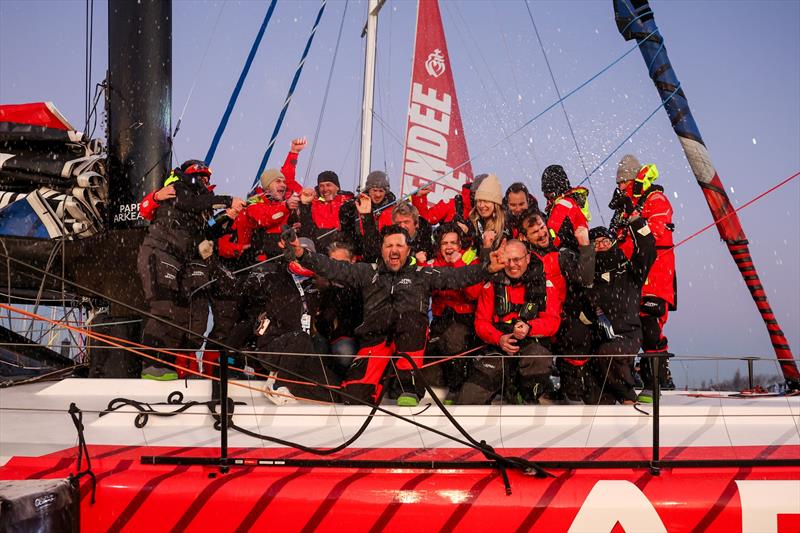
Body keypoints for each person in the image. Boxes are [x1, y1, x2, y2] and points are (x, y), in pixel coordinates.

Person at [285, 224, 506, 406]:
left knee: (409, 319)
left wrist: (487, 268)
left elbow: (458, 276)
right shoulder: (367, 271)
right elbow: (334, 268)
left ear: (408, 250)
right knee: (353, 395)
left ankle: (407, 386)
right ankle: (367, 393)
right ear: (381, 250)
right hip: (376, 339)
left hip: (409, 338)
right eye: (389, 245)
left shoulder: (423, 274)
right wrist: (302, 254)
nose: (394, 249)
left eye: (399, 245)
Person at [136, 160, 245, 380]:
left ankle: (175, 365)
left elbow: (205, 232)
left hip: (184, 257)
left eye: (207, 177)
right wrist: (226, 200)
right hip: (161, 250)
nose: (203, 180)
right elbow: (187, 201)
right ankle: (153, 362)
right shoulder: (179, 189)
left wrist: (227, 218)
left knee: (188, 314)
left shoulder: (200, 205)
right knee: (164, 306)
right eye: (199, 175)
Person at [460, 239, 566, 405]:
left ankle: (525, 396)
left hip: (531, 345)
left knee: (539, 359)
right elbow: (481, 322)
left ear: (528, 258)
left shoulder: (545, 285)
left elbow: (553, 321)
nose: (512, 265)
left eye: (517, 259)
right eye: (507, 260)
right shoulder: (491, 284)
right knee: (468, 398)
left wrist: (530, 328)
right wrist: (499, 338)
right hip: (499, 348)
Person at [611, 155, 677, 402]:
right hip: (633, 276)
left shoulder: (655, 200)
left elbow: (657, 232)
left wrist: (635, 218)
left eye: (623, 183)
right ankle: (630, 379)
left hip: (656, 276)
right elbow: (620, 239)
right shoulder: (625, 207)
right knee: (628, 327)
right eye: (618, 184)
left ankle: (656, 380)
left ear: (633, 179)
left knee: (650, 327)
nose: (619, 188)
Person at [521, 210, 596, 404]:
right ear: (525, 237)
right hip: (536, 320)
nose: (542, 233)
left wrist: (585, 246)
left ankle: (572, 392)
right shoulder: (523, 260)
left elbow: (585, 278)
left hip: (562, 318)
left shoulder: (560, 255)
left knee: (577, 335)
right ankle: (533, 393)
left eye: (542, 228)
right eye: (535, 232)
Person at [587, 219, 655, 404]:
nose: (601, 245)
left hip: (628, 335)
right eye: (595, 243)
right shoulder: (587, 276)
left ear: (613, 243)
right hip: (597, 339)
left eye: (605, 241)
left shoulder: (629, 273)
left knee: (609, 352)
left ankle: (628, 397)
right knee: (596, 399)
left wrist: (636, 222)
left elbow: (648, 249)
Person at [217, 138, 307, 264]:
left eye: (283, 182)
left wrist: (294, 152)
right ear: (267, 187)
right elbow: (264, 218)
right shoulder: (254, 202)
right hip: (254, 257)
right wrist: (286, 206)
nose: (283, 184)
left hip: (281, 253)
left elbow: (288, 177)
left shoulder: (281, 200)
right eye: (278, 181)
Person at [425, 223, 483, 403]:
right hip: (440, 319)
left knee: (454, 339)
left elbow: (473, 294)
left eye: (453, 243)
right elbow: (424, 290)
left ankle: (457, 389)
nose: (449, 247)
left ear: (460, 245)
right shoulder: (433, 263)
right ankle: (441, 389)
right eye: (444, 243)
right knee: (430, 358)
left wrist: (457, 264)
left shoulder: (470, 260)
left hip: (465, 319)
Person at [315, 238, 363, 378]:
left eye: (342, 263)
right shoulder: (322, 285)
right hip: (324, 337)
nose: (337, 267)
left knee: (344, 352)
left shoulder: (359, 285)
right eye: (333, 262)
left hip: (349, 337)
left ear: (352, 261)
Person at [338, 170, 395, 256]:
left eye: (381, 191)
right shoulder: (356, 206)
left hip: (386, 252)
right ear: (368, 190)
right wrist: (349, 207)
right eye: (375, 190)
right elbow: (346, 228)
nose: (378, 194)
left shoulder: (393, 208)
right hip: (361, 253)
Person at [361, 200, 433, 264]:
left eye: (406, 222)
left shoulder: (426, 243)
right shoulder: (386, 239)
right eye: (398, 223)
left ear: (416, 224)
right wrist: (367, 216)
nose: (402, 226)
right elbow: (371, 253)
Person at [299, 170, 355, 251]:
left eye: (328, 185)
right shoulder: (313, 205)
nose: (325, 189)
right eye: (321, 186)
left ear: (337, 187)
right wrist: (304, 205)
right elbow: (307, 229)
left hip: (341, 251)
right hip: (319, 252)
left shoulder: (349, 204)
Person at [540, 165, 590, 250]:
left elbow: (553, 237)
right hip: (578, 251)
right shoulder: (573, 201)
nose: (545, 195)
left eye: (547, 191)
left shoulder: (563, 205)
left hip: (569, 255)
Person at [467, 173, 509, 250]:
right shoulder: (472, 221)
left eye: (486, 201)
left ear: (495, 204)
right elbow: (471, 254)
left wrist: (487, 245)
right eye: (479, 201)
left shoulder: (505, 224)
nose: (482, 205)